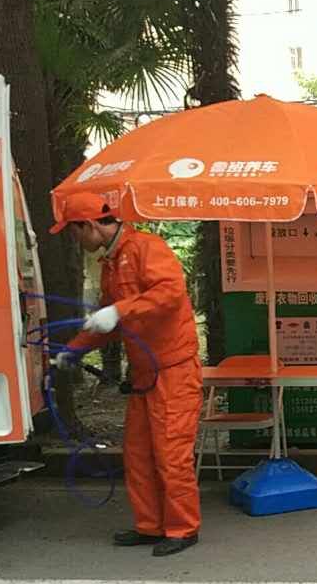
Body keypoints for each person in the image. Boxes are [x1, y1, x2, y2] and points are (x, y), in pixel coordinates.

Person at [50, 192, 203, 557]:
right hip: (144, 375)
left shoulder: (147, 248)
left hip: (174, 370)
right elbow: (108, 321)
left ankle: (183, 529)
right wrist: (73, 349)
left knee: (171, 454)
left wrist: (119, 309)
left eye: (75, 234)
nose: (76, 242)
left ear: (88, 226)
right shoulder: (113, 262)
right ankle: (150, 525)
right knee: (138, 454)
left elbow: (169, 292)